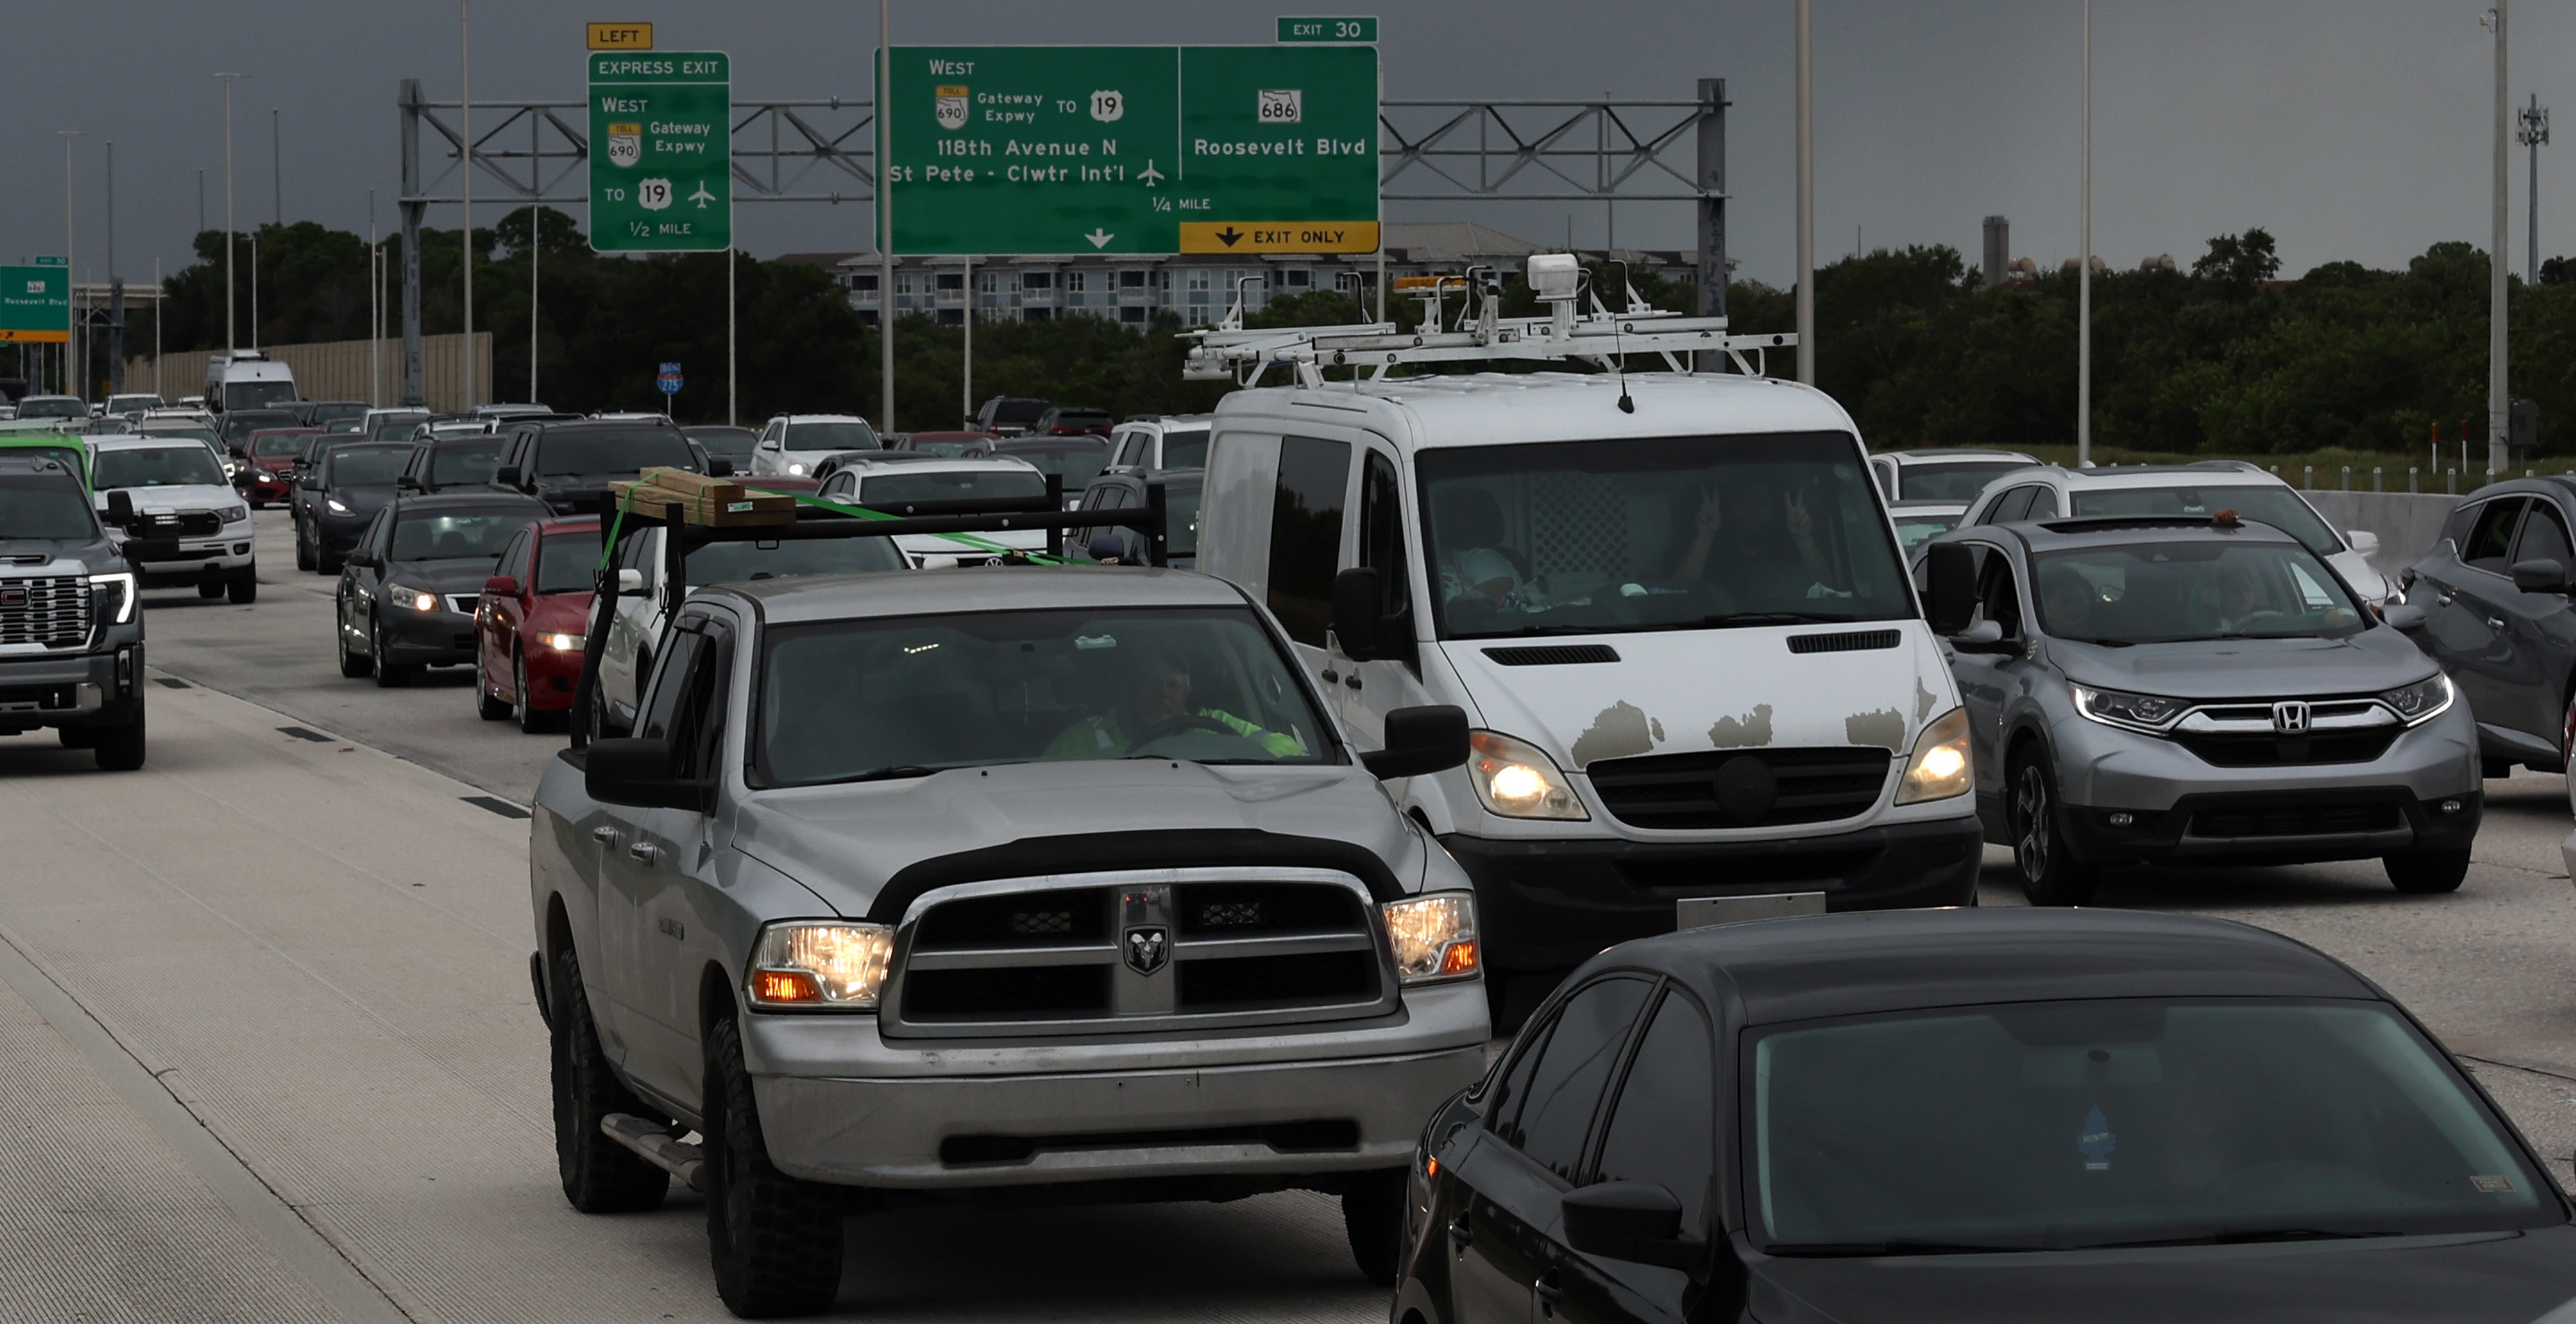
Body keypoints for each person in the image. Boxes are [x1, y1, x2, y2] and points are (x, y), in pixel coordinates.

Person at [1046, 653, 1303, 758]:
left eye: (1173, 686)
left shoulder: (1214, 724)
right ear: (1132, 689)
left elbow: (1286, 746)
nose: (1163, 694)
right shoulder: (1082, 739)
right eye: (1151, 684)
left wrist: (1244, 763)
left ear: (1187, 692)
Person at [1670, 480, 1835, 592]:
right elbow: (1680, 593)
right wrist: (1705, 536)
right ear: (1729, 508)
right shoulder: (1709, 554)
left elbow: (1826, 591)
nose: (1751, 508)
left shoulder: (1789, 553)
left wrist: (1803, 539)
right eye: (1743, 501)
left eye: (1759, 501)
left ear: (1773, 510)